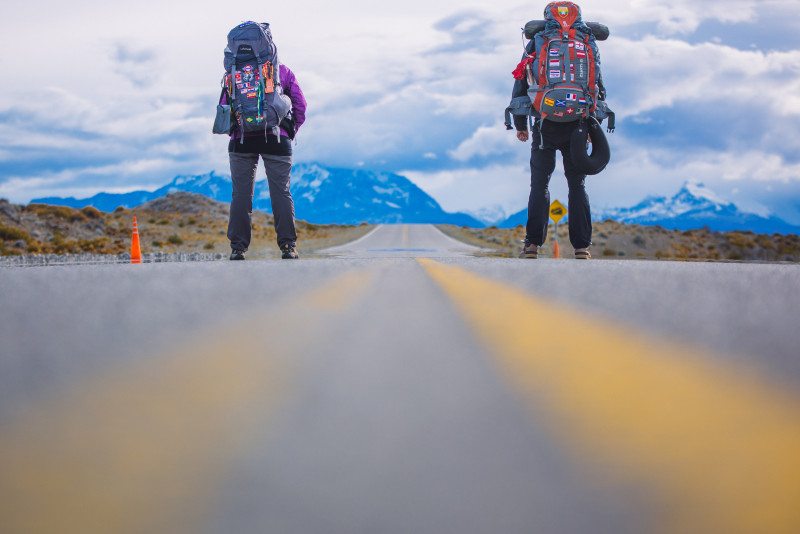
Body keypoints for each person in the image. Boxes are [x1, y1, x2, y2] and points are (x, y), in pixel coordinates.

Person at [512, 2, 603, 260]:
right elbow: (597, 85)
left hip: (545, 123)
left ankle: (531, 245)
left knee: (539, 184)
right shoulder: (587, 42)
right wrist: (592, 124)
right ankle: (581, 247)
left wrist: (520, 125)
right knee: (577, 185)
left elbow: (521, 80)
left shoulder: (539, 41)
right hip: (578, 123)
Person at [222, 57, 306, 261]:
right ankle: (288, 246)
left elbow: (224, 108)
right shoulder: (281, 71)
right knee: (281, 193)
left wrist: (236, 131)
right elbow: (300, 105)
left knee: (241, 195)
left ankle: (238, 248)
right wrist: (290, 129)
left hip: (241, 140)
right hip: (277, 138)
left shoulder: (233, 73)